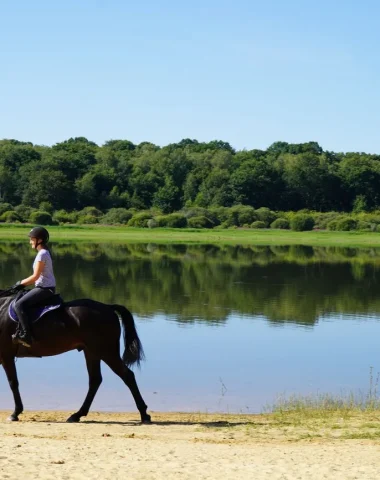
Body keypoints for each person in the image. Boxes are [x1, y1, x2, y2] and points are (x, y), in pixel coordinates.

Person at [11, 226, 56, 348]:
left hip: (44, 289)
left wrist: (20, 284)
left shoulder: (42, 254)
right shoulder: (44, 252)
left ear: (39, 240)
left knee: (19, 305)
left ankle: (26, 335)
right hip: (43, 287)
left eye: (32, 239)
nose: (30, 241)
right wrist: (20, 284)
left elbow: (35, 276)